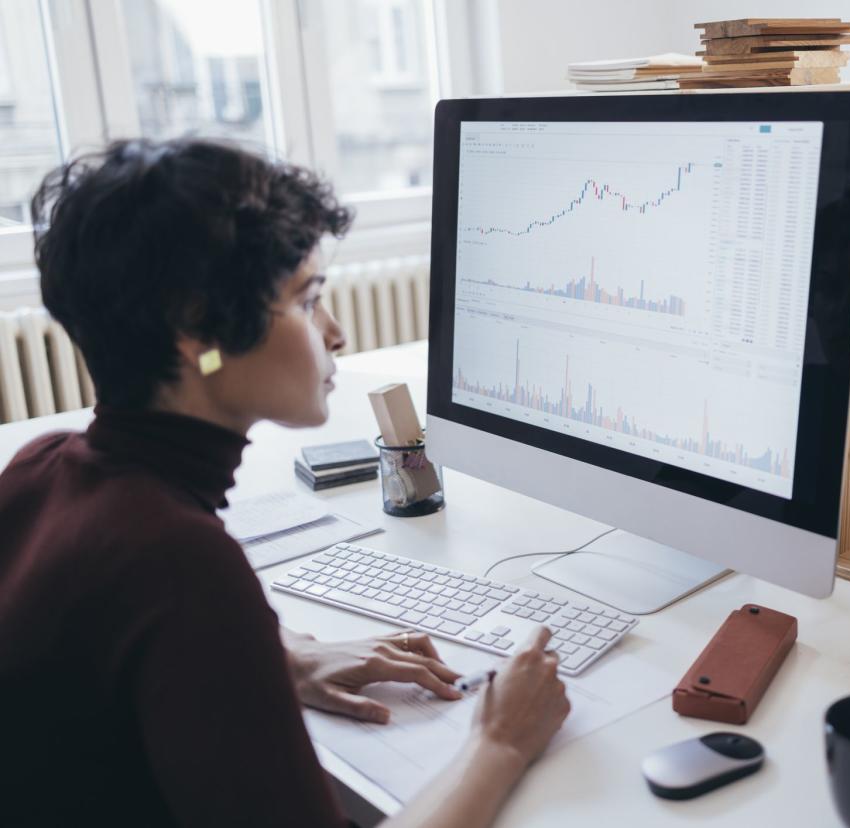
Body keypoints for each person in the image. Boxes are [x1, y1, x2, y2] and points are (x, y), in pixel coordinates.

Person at [0, 139, 570, 827]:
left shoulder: (41, 466)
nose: (335, 333)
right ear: (196, 332)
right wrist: (500, 742)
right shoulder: (180, 561)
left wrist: (282, 655)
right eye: (307, 301)